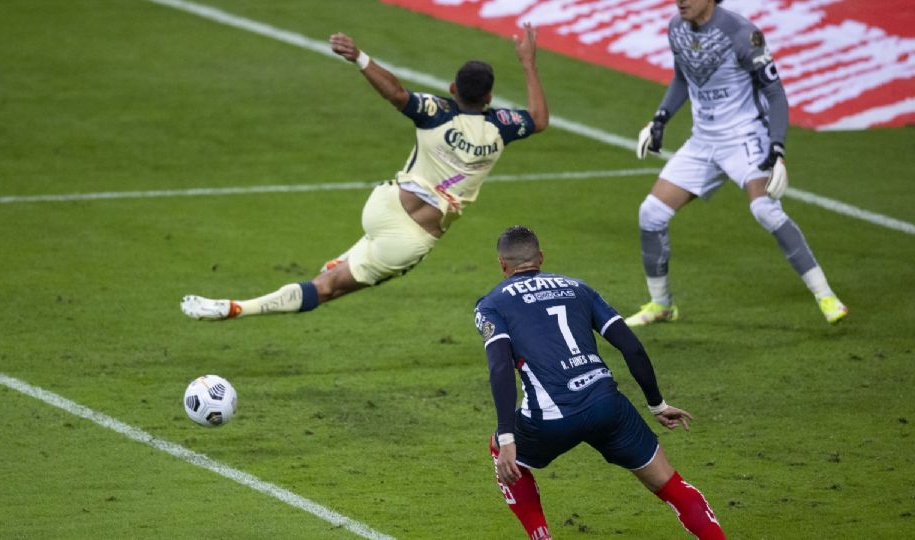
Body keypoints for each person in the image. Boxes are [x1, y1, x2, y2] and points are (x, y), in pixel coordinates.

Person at [180, 25, 548, 321]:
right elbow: (539, 119)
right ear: (489, 97)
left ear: (453, 89)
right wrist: (528, 64)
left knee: (337, 269)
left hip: (384, 206)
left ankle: (345, 260)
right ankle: (238, 308)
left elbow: (396, 93)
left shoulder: (437, 112)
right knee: (327, 289)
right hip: (409, 239)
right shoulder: (501, 127)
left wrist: (359, 57)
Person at [475, 226, 725, 540]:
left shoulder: (492, 304)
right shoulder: (580, 288)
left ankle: (541, 536)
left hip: (551, 418)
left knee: (499, 446)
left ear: (502, 264)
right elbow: (631, 347)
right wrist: (657, 404)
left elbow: (500, 367)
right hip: (608, 405)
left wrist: (508, 438)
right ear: (540, 257)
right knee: (671, 485)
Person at [628, 0, 848, 326]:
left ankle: (826, 296)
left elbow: (775, 92)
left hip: (745, 139)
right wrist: (659, 119)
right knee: (651, 213)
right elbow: (682, 78)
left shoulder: (742, 34)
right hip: (703, 141)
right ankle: (661, 304)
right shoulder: (676, 28)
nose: (680, 1)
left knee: (765, 210)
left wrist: (777, 148)